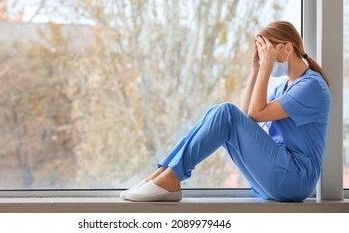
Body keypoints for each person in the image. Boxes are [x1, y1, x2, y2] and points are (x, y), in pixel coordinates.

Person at [120, 20, 331, 202]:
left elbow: (254, 114)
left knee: (225, 112)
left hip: (295, 179)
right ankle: (162, 174)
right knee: (218, 113)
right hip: (281, 174)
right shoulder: (284, 87)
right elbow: (247, 117)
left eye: (267, 51)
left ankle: (171, 179)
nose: (266, 58)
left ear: (287, 48)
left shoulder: (311, 86)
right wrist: (255, 68)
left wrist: (266, 68)